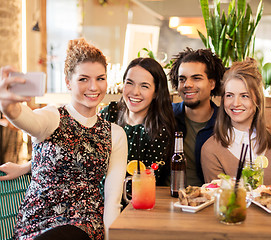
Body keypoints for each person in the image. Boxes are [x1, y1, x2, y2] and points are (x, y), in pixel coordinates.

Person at [0, 38, 128, 239]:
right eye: (83, 79)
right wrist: (9, 108)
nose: (94, 87)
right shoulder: (53, 117)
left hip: (83, 225)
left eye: (100, 78)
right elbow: (30, 120)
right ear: (68, 82)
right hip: (36, 224)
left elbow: (113, 201)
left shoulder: (115, 134)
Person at [201, 58, 271, 186]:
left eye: (244, 96)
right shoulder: (211, 149)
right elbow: (218, 198)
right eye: (229, 95)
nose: (236, 103)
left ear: (258, 100)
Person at [100, 57, 176, 186]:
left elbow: (147, 182)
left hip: (135, 201)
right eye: (129, 83)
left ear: (156, 92)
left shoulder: (160, 130)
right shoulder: (109, 114)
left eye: (144, 86)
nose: (135, 92)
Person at [169, 47, 225, 186]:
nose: (187, 84)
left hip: (207, 200)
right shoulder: (166, 116)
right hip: (166, 198)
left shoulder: (225, 123)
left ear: (212, 83)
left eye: (196, 78)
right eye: (182, 79)